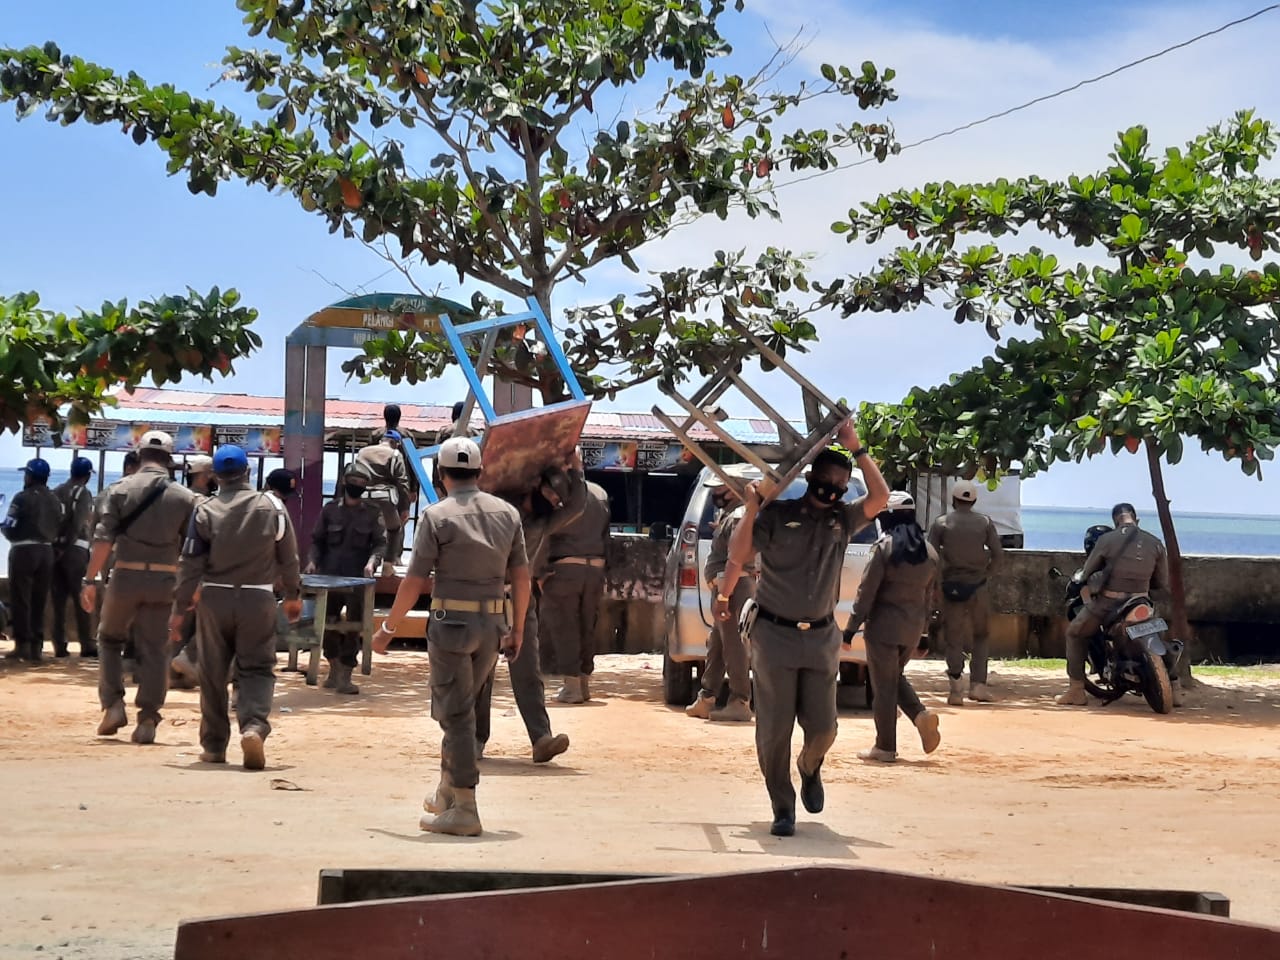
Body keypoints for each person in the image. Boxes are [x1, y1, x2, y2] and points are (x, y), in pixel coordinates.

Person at [718, 422, 889, 838]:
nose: (833, 489)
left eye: (841, 484)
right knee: (773, 730)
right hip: (774, 636)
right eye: (827, 481)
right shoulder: (777, 516)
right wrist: (754, 507)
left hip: (821, 637)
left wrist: (858, 449)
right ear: (811, 479)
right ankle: (782, 805)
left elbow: (881, 497)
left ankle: (810, 766)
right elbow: (738, 555)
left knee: (824, 726)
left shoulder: (842, 521)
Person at [372, 437, 531, 837]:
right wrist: (518, 630)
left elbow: (414, 580)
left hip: (451, 626)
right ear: (479, 473)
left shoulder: (436, 516)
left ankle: (464, 806)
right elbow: (522, 577)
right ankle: (446, 791)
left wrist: (389, 628)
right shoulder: (507, 514)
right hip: (493, 626)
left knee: (456, 715)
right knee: (465, 707)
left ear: (441, 476)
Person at [170, 445, 303, 770]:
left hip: (214, 599)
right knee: (256, 668)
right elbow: (289, 556)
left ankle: (214, 746)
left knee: (213, 673)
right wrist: (294, 596)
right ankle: (254, 726)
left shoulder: (205, 510)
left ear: (216, 476)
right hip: (258, 599)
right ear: (247, 473)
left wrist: (179, 608)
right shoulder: (271, 506)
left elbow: (190, 564)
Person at [82, 432, 198, 745]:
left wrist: (90, 579)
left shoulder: (118, 490)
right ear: (170, 460)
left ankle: (114, 704)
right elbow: (195, 551)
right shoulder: (186, 498)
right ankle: (147, 719)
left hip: (125, 577)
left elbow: (103, 540)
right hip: (165, 579)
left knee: (109, 639)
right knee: (157, 649)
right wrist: (191, 591)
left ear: (138, 453)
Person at [472, 457, 583, 761]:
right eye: (550, 494)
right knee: (482, 671)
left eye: (557, 500)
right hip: (486, 596)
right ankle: (474, 740)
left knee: (528, 671)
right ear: (536, 485)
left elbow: (577, 507)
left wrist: (578, 470)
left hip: (520, 599)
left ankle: (541, 739)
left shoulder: (543, 522)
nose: (553, 502)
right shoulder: (498, 506)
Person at [844, 492, 942, 763]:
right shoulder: (929, 552)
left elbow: (866, 592)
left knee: (883, 688)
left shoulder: (884, 548)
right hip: (911, 629)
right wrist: (923, 633)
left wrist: (851, 628)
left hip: (883, 629)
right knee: (892, 678)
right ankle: (920, 717)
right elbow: (928, 597)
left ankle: (885, 747)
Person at [1057, 502, 1174, 707]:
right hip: (1141, 602)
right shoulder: (1155, 543)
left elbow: (1086, 573)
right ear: (1136, 519)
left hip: (1109, 603)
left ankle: (1076, 690)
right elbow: (1162, 584)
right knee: (1164, 634)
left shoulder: (1106, 540)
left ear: (1115, 520)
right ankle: (1177, 687)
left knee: (1074, 633)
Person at [305, 461, 386, 695]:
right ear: (344, 482)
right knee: (326, 622)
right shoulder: (330, 510)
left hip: (357, 579)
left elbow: (380, 543)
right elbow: (317, 541)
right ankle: (333, 668)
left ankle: (346, 675)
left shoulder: (372, 513)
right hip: (329, 577)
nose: (357, 486)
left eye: (362, 483)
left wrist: (372, 562)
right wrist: (312, 561)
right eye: (354, 482)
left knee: (354, 624)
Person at [686, 466, 758, 722]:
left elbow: (736, 561)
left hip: (733, 586)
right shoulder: (734, 516)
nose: (715, 493)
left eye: (720, 487)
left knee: (735, 645)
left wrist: (724, 595)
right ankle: (706, 698)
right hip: (728, 586)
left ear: (734, 489)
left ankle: (740, 700)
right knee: (717, 644)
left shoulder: (739, 517)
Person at [927, 480, 1003, 705]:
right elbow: (998, 555)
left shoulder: (941, 523)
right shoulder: (985, 523)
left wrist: (935, 585)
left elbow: (931, 557)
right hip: (978, 586)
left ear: (954, 500)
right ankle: (978, 686)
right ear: (974, 500)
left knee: (954, 638)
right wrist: (986, 574)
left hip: (951, 586)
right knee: (981, 635)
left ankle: (955, 689)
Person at [542, 471, 611, 704]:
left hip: (563, 567)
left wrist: (539, 571)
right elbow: (606, 536)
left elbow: (543, 533)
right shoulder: (600, 492)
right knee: (587, 625)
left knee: (565, 627)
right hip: (595, 567)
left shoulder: (556, 491)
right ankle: (583, 682)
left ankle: (571, 686)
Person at [2, 458, 61, 662]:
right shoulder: (55, 500)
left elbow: (9, 526)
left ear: (30, 476)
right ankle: (37, 646)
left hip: (23, 551)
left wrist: (5, 531)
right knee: (39, 600)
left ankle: (22, 645)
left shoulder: (21, 498)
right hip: (46, 553)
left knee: (21, 599)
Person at [169, 455, 217, 689]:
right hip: (198, 569)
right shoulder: (203, 503)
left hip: (174, 566)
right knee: (203, 622)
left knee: (179, 623)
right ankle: (186, 663)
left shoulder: (177, 497)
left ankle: (169, 673)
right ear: (204, 475)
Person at [51, 456, 97, 658]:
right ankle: (87, 644)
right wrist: (66, 545)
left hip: (54, 549)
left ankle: (59, 644)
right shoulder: (83, 493)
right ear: (87, 476)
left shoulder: (57, 491)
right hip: (75, 549)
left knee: (58, 600)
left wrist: (56, 547)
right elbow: (78, 523)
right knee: (82, 598)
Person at [357, 431, 412, 573]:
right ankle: (387, 565)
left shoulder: (363, 452)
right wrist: (405, 507)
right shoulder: (395, 454)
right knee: (394, 530)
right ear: (395, 443)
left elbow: (354, 474)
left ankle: (364, 562)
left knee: (364, 532)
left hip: (362, 498)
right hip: (384, 499)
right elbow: (402, 483)